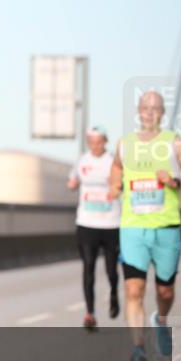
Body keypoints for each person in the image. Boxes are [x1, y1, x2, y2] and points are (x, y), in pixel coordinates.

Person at [109, 90, 181, 361]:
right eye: (146, 107)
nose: (150, 112)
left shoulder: (175, 144)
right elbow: (117, 168)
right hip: (132, 227)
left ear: (163, 112)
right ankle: (138, 348)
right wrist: (114, 186)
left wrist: (175, 181)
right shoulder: (124, 144)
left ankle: (162, 319)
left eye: (156, 107)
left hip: (166, 227)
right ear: (139, 111)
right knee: (134, 289)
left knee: (165, 290)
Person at [67, 125, 121, 330]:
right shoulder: (82, 161)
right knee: (88, 266)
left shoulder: (113, 161)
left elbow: (123, 185)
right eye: (91, 142)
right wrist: (72, 185)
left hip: (111, 223)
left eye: (99, 142)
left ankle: (114, 294)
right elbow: (71, 181)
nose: (95, 146)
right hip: (87, 223)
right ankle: (90, 313)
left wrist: (116, 183)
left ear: (105, 141)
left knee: (111, 270)